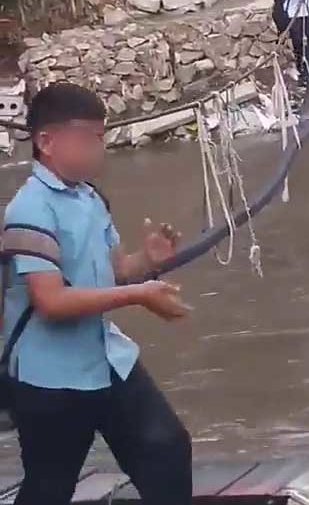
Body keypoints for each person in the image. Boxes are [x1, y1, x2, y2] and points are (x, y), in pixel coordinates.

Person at [2, 82, 192, 505]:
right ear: (46, 142)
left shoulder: (89, 198)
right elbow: (50, 302)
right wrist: (140, 295)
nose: (96, 149)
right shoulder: (30, 210)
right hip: (50, 378)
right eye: (85, 137)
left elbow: (117, 271)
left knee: (167, 450)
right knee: (49, 486)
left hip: (106, 361)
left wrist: (148, 258)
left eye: (99, 138)